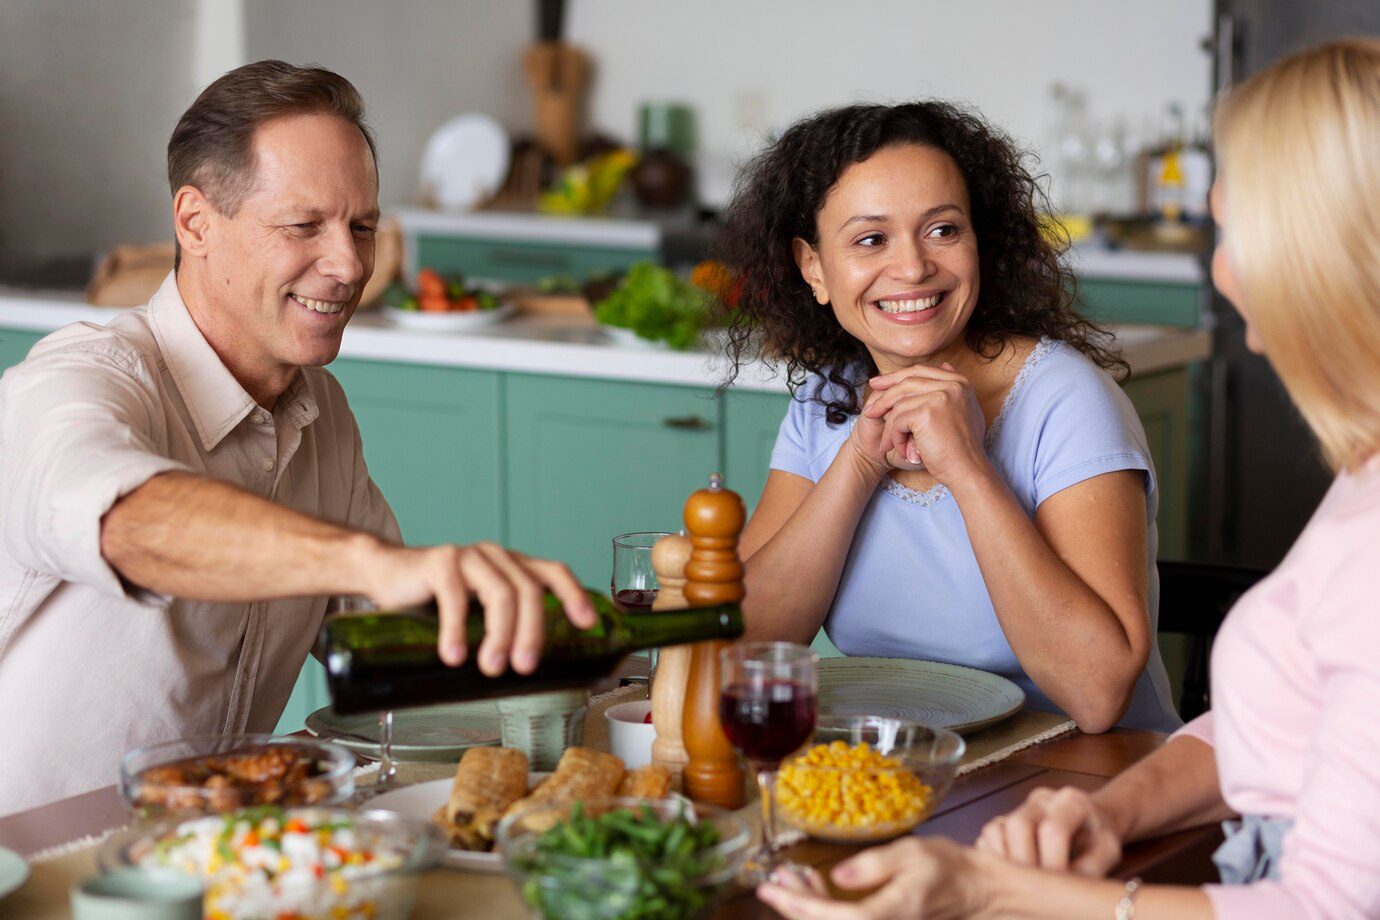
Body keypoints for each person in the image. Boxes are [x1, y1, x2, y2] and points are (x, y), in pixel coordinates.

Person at [756, 38, 1380, 920]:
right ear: (812, 267)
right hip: (1031, 806)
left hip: (1053, 798)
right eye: (870, 239)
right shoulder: (1363, 486)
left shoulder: (1363, 536)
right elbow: (1275, 737)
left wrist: (997, 889)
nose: (1220, 268)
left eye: (1235, 229)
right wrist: (1109, 811)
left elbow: (1324, 905)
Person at [0, 60, 591, 816]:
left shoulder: (320, 410)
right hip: (39, 873)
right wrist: (367, 561)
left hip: (212, 857)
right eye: (303, 225)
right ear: (195, 223)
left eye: (363, 225)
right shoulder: (80, 379)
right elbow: (124, 521)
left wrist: (553, 634)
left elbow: (391, 634)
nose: (349, 265)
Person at [716, 100, 1179, 733]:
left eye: (943, 230)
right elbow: (740, 653)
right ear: (814, 269)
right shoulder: (826, 399)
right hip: (894, 776)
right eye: (870, 239)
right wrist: (858, 463)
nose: (912, 267)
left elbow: (1097, 696)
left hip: (1081, 784)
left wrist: (967, 465)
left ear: (979, 242)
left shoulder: (1067, 402)